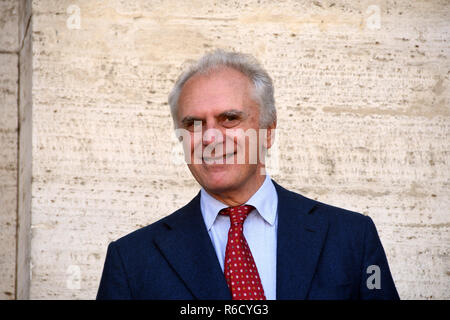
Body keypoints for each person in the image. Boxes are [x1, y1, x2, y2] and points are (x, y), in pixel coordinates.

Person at [96, 49, 399, 300]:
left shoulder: (351, 238)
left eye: (229, 118)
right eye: (193, 123)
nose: (209, 138)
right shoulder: (131, 261)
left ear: (268, 132)